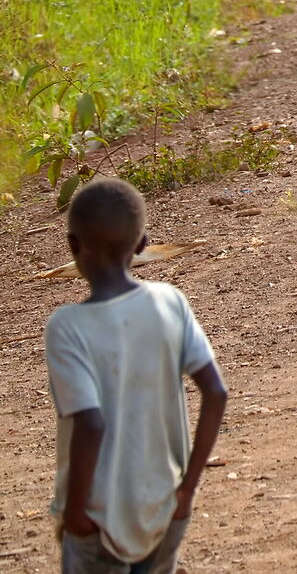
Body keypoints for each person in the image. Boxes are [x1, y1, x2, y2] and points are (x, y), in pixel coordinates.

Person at [46, 178, 227, 574]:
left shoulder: (68, 326)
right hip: (164, 506)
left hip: (97, 516)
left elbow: (90, 423)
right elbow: (215, 392)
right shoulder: (170, 302)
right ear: (142, 242)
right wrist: (187, 489)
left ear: (73, 246)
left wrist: (75, 515)